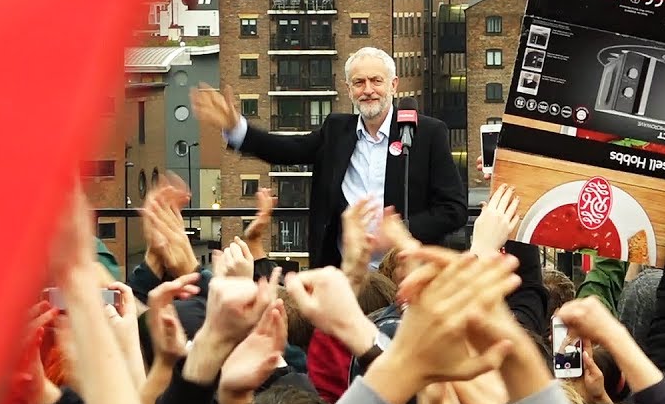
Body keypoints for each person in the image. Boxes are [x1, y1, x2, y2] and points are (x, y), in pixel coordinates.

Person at [192, 46, 467, 269]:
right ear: (349, 89)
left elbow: (453, 210)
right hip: (343, 274)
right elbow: (287, 150)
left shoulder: (427, 133)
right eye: (359, 82)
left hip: (407, 272)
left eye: (376, 81)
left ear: (394, 85)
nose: (368, 89)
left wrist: (401, 231)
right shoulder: (337, 130)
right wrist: (235, 128)